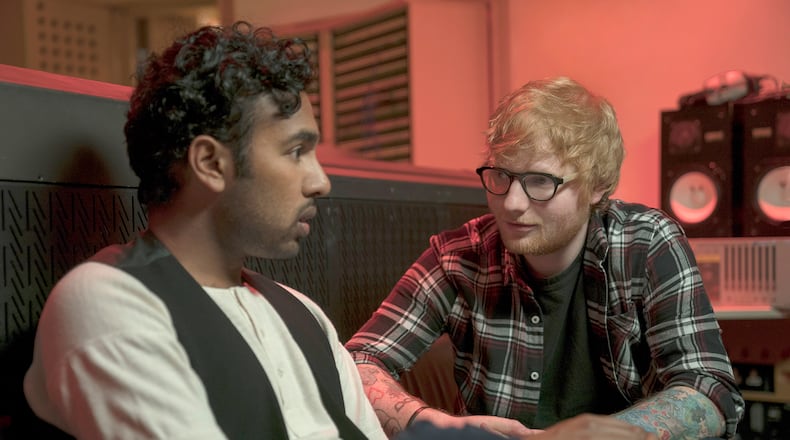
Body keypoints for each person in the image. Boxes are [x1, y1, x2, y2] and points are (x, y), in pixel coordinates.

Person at [22, 22, 387, 439]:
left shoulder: (302, 313)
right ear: (211, 164)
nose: (321, 182)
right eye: (296, 151)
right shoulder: (108, 302)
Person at [346, 77, 744, 439]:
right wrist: (438, 426)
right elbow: (355, 363)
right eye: (500, 176)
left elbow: (708, 388)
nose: (512, 204)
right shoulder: (458, 256)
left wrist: (609, 434)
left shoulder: (647, 242)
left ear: (597, 186)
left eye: (540, 181)